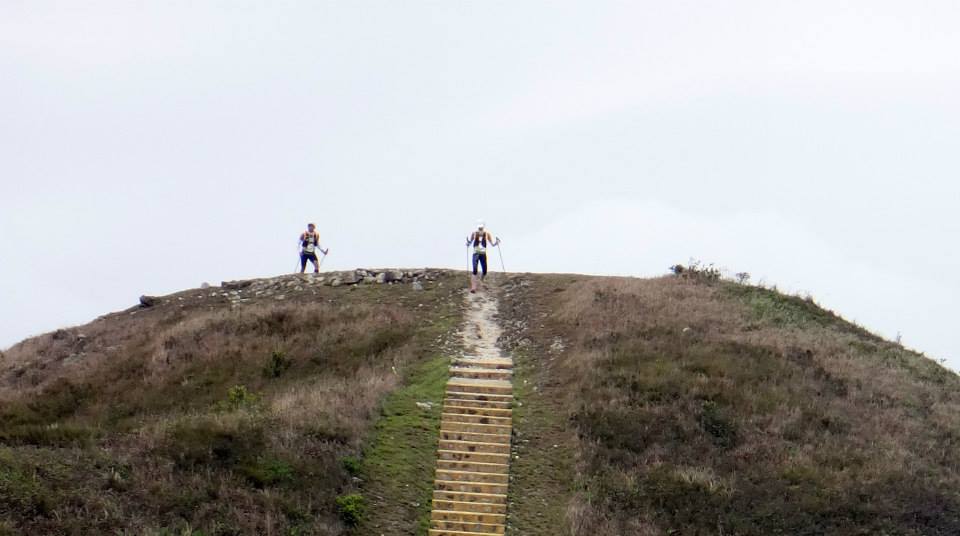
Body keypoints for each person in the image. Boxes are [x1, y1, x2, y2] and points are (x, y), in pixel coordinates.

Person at [465, 220, 500, 293]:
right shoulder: (474, 234)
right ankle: (473, 287)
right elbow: (470, 242)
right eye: (479, 227)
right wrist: (467, 243)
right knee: (475, 270)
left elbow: (492, 244)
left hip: (483, 254)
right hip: (476, 253)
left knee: (485, 270)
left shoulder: (487, 234)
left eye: (481, 227)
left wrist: (497, 243)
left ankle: (481, 280)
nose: (480, 229)